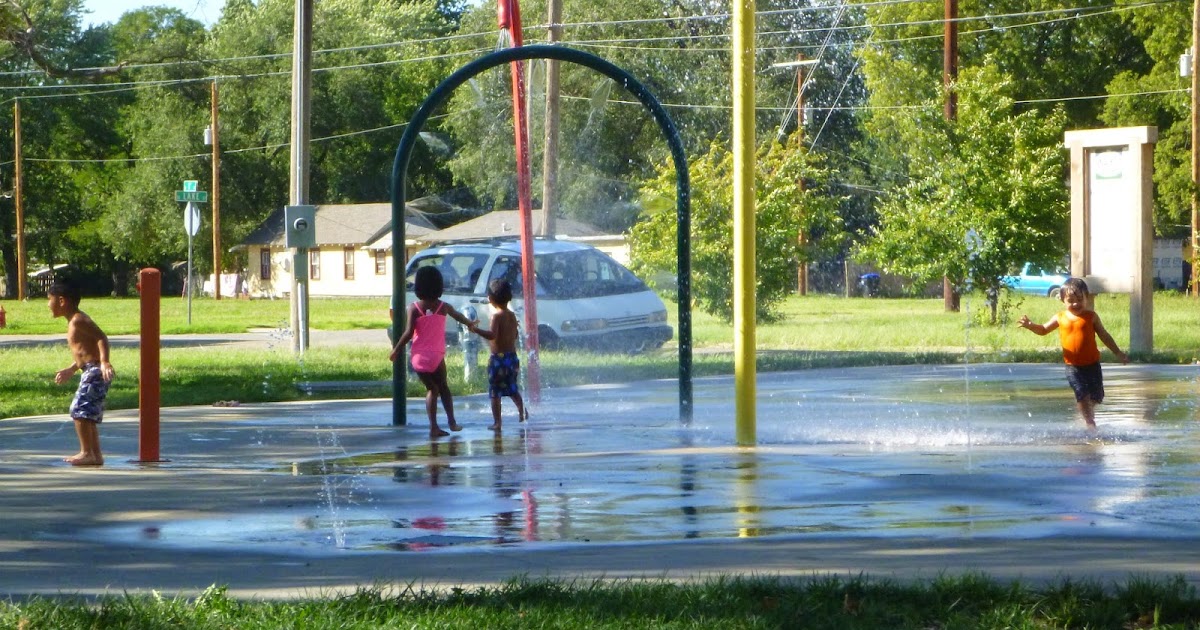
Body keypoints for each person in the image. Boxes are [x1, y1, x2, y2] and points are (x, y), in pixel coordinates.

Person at [1017, 277, 1129, 429]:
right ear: (1062, 299)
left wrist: (1118, 353)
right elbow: (1043, 330)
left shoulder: (1091, 317)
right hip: (1073, 367)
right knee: (1081, 392)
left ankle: (1086, 409)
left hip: (1092, 365)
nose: (1075, 304)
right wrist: (1030, 325)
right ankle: (1090, 422)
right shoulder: (1060, 317)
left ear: (1086, 298)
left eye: (1079, 299)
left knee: (1097, 396)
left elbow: (1104, 335)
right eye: (1070, 300)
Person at [389, 266, 476, 437]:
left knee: (432, 389)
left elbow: (408, 333)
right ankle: (452, 422)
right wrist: (469, 324)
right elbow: (458, 315)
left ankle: (433, 426)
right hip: (436, 355)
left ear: (418, 287)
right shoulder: (443, 307)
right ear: (439, 286)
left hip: (419, 357)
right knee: (444, 388)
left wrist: (396, 349)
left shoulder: (414, 308)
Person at [48, 280, 115, 466]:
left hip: (95, 371)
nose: (48, 304)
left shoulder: (78, 319)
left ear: (62, 301)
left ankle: (87, 452)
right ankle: (95, 455)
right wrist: (72, 369)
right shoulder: (73, 321)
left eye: (49, 299)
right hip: (89, 368)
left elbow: (101, 338)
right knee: (87, 415)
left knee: (79, 411)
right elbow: (84, 352)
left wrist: (104, 362)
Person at [468, 278, 528, 431]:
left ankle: (497, 422)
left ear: (491, 299)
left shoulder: (497, 316)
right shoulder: (512, 315)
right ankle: (522, 411)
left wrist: (476, 330)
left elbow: (492, 335)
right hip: (512, 358)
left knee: (495, 391)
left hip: (498, 360)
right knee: (512, 388)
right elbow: (514, 336)